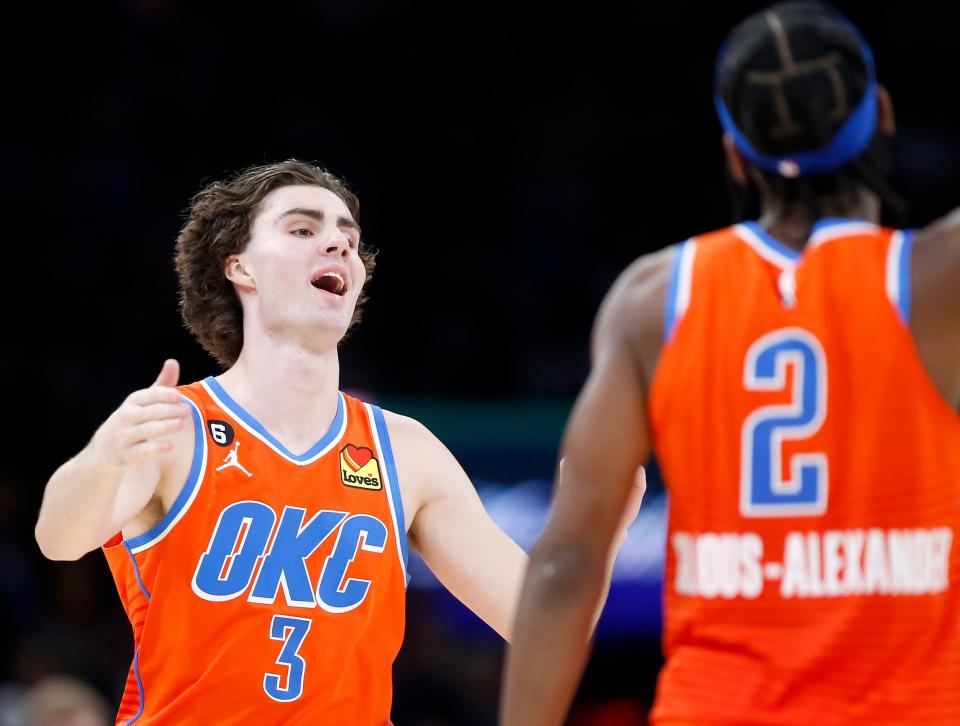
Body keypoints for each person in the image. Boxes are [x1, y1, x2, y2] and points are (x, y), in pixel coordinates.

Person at [34, 159, 644, 723]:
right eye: (302, 229)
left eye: (349, 238)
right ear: (238, 265)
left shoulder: (407, 451)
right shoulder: (178, 428)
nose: (339, 244)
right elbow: (59, 540)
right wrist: (104, 455)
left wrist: (594, 531)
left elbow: (543, 626)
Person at [502, 3, 960, 724]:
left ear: (735, 153)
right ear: (883, 113)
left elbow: (568, 560)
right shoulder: (939, 277)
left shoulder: (654, 300)